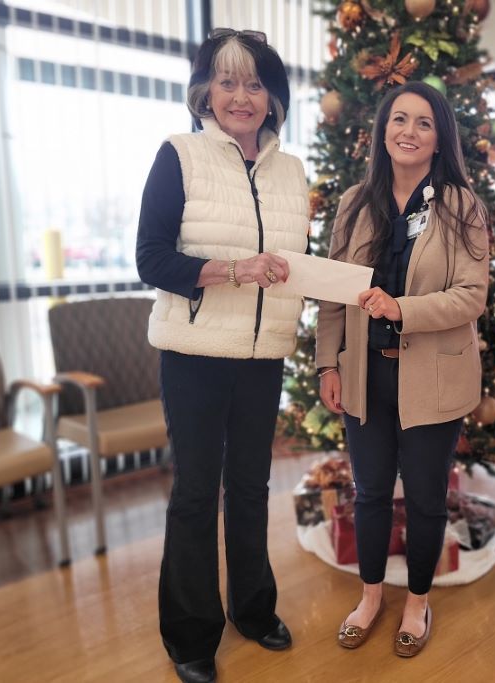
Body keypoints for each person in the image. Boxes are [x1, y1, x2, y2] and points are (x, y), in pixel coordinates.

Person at [136, 28, 309, 683]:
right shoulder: (177, 154)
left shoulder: (291, 170)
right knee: (194, 493)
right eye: (228, 80)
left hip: (264, 356)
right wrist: (233, 271)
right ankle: (189, 633)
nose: (242, 95)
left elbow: (291, 266)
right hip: (196, 353)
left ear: (273, 97)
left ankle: (254, 609)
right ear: (205, 90)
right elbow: (150, 259)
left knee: (252, 488)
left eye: (256, 83)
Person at [315, 81, 489, 657]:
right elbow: (334, 295)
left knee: (424, 499)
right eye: (398, 120)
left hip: (433, 379)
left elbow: (471, 296)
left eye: (422, 123)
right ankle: (370, 596)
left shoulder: (462, 205)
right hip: (366, 375)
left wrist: (401, 309)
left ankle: (417, 600)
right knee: (367, 493)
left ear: (439, 138)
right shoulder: (353, 204)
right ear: (382, 130)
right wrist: (326, 366)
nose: (408, 132)